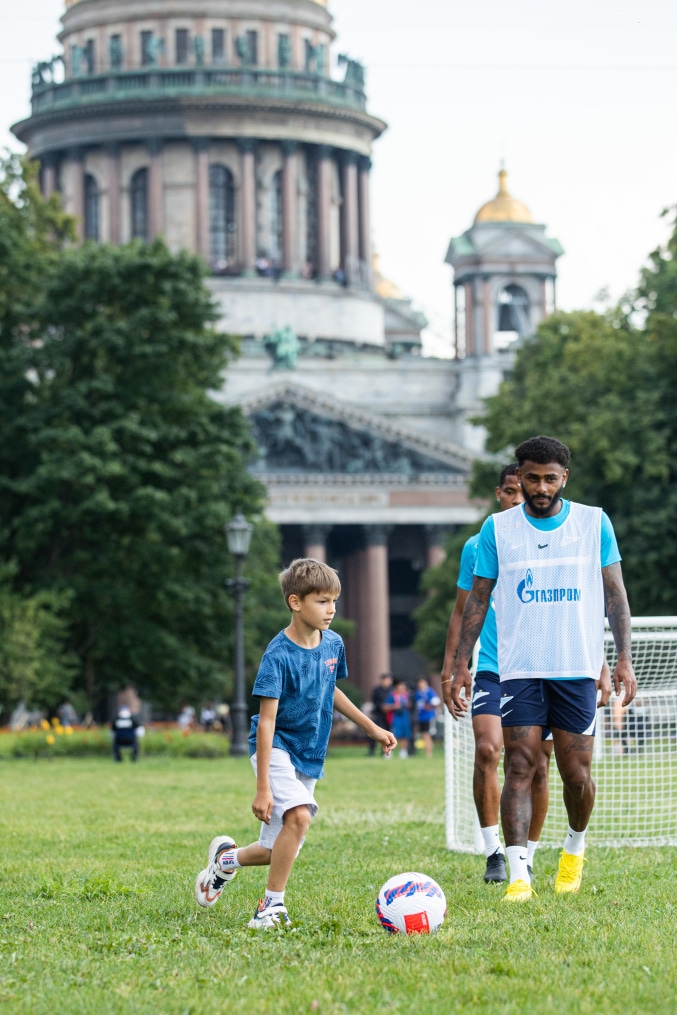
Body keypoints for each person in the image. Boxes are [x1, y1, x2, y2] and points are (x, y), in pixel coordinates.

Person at [448, 436, 636, 901]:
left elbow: (615, 595)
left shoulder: (594, 524)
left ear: (564, 478)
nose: (539, 487)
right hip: (520, 668)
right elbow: (477, 600)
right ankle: (518, 875)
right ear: (521, 476)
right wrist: (460, 664)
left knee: (576, 775)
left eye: (549, 478)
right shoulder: (497, 530)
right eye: (531, 478)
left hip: (575, 667)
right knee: (519, 764)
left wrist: (623, 659)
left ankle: (574, 847)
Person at [194, 558, 396, 928]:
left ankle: (225, 861)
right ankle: (270, 908)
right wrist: (262, 789)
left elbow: (330, 688)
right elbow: (267, 720)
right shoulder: (277, 655)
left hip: (310, 753)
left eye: (334, 600)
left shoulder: (333, 643)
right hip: (276, 747)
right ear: (295, 602)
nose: (331, 609)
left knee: (276, 849)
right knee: (300, 816)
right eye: (322, 601)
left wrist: (371, 727)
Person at [442, 464, 554, 884]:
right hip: (491, 667)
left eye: (522, 492)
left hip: (541, 667)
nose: (517, 499)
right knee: (489, 750)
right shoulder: (477, 546)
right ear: (499, 494)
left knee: (538, 766)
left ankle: (528, 854)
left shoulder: (551, 542)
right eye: (510, 491)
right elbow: (461, 611)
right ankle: (494, 853)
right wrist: (452, 668)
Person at [367, 673, 393, 756]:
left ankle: (385, 752)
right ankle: (372, 751)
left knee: (387, 733)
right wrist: (383, 707)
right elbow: (376, 703)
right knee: (375, 732)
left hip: (388, 715)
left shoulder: (391, 691)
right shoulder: (377, 690)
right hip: (378, 715)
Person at [414, 677, 440, 758]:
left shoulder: (429, 691)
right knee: (423, 734)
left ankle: (428, 753)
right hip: (420, 717)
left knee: (426, 734)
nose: (420, 684)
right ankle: (427, 751)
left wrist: (431, 706)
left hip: (428, 717)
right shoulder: (418, 693)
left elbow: (436, 701)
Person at [387, 680, 412, 759]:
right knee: (394, 735)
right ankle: (389, 751)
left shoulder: (406, 696)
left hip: (405, 718)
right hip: (396, 718)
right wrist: (394, 706)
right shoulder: (392, 696)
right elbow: (385, 706)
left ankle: (403, 752)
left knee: (405, 736)